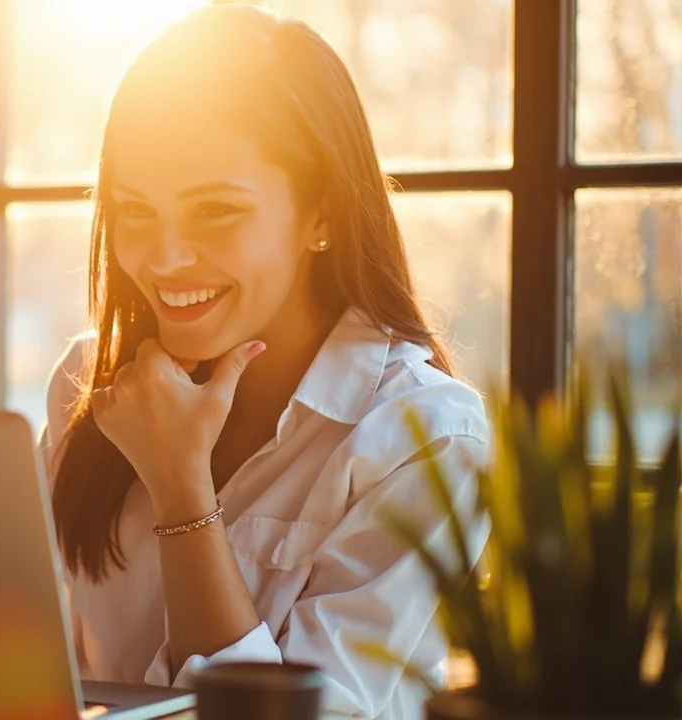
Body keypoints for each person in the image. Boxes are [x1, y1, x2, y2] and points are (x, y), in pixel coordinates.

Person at [36, 5, 491, 720]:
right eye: (136, 210)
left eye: (215, 211)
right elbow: (28, 662)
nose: (164, 257)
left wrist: (181, 487)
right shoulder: (89, 386)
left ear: (323, 216)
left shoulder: (424, 437)